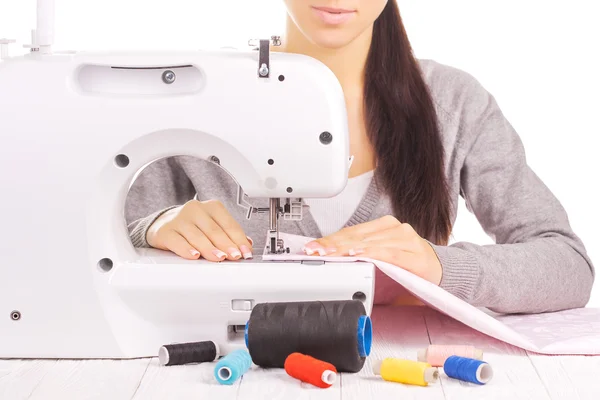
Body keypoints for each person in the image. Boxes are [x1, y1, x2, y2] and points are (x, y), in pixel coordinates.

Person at [125, 0, 594, 314]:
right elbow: (100, 250)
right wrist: (151, 230)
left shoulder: (455, 104)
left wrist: (441, 267)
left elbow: (569, 267)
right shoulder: (205, 99)